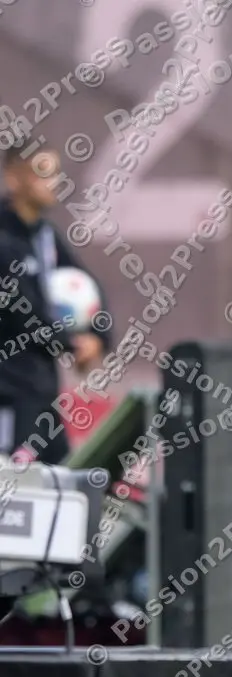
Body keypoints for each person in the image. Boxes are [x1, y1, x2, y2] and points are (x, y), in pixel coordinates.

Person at [0, 145, 109, 466]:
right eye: (41, 173)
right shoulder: (4, 240)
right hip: (9, 393)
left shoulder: (45, 235)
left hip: (41, 393)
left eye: (56, 173)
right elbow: (23, 312)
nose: (53, 182)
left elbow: (88, 284)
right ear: (14, 178)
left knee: (65, 480)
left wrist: (98, 336)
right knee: (16, 489)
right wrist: (72, 344)